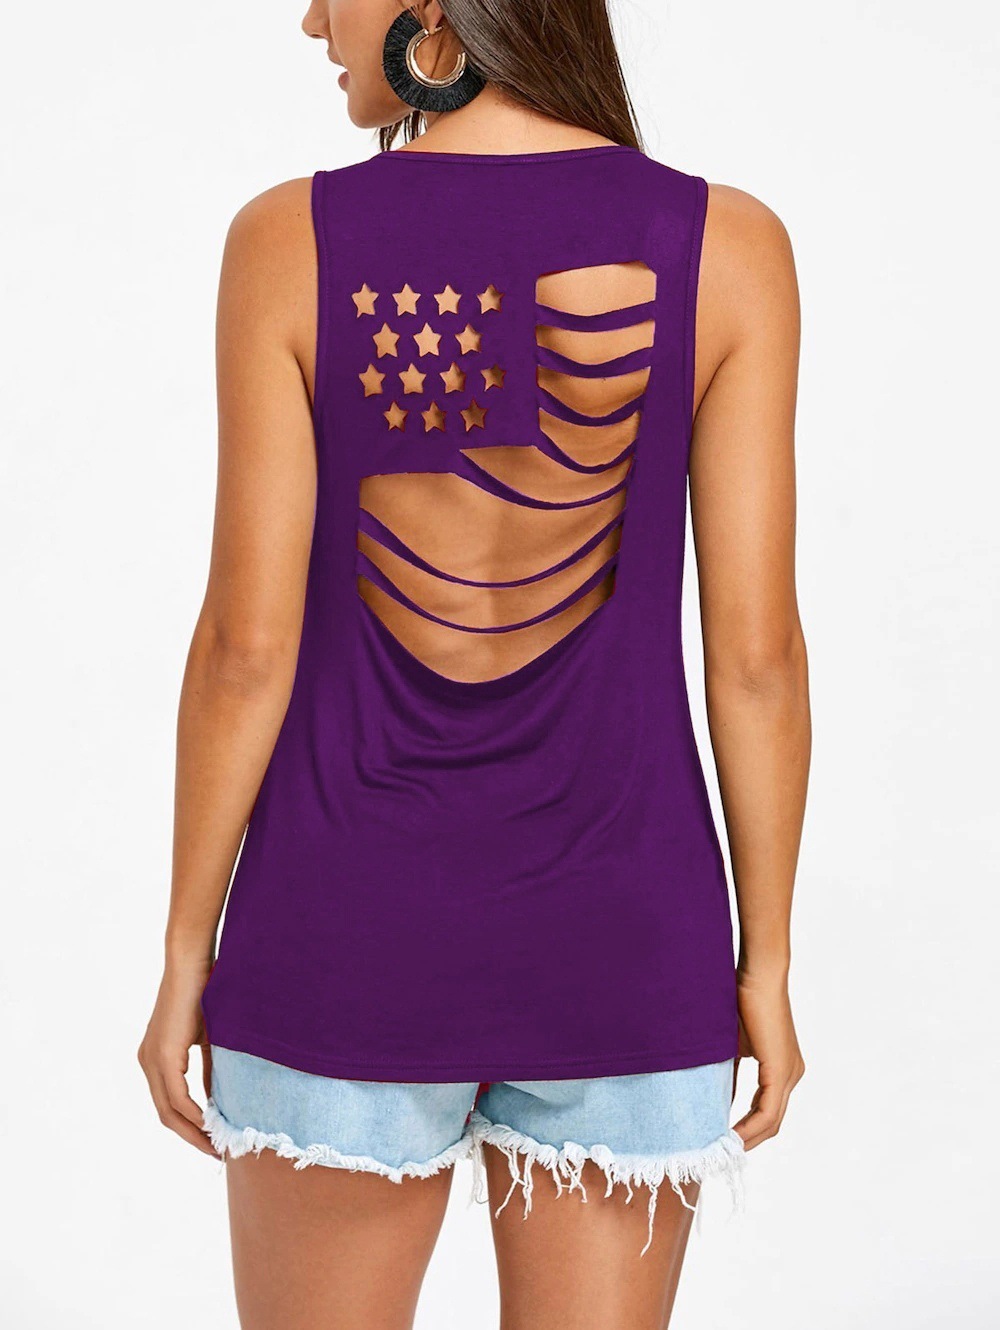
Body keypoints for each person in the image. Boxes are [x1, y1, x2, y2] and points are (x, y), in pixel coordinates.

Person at [138, 2, 810, 1326]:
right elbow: (757, 658)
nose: (312, 16)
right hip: (628, 940)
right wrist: (766, 963)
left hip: (341, 932)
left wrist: (182, 952)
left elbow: (244, 650)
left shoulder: (288, 242)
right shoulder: (728, 245)